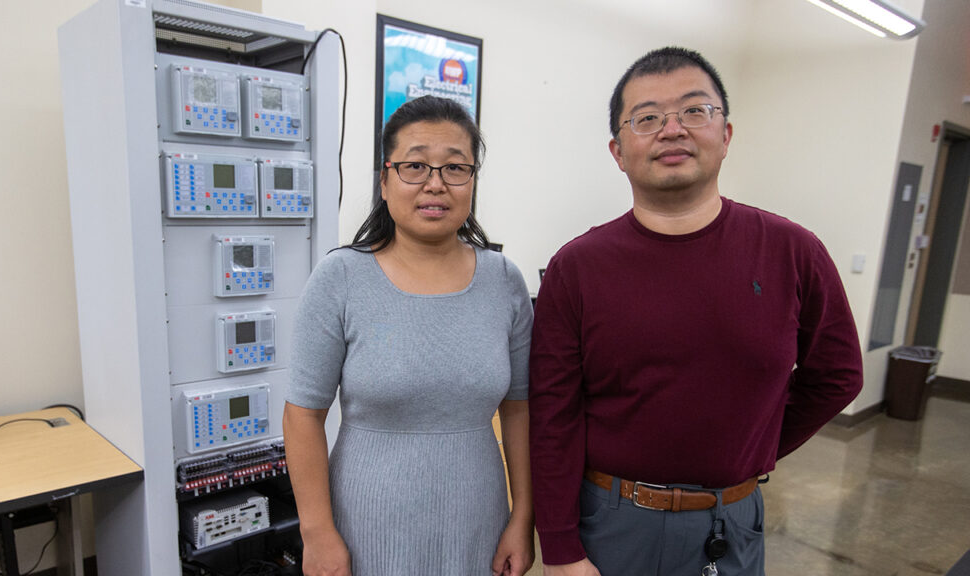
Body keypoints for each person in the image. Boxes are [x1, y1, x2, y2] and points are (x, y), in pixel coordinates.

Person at [528, 47, 863, 576]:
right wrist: (561, 548)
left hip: (732, 521)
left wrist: (753, 448)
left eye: (694, 111)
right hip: (613, 523)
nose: (671, 130)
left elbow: (838, 375)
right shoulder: (577, 267)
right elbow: (554, 417)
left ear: (725, 135)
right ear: (618, 150)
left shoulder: (792, 251)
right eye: (647, 118)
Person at [283, 95, 535, 576]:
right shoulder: (340, 278)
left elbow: (520, 411)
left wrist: (521, 517)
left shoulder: (505, 281)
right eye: (415, 166)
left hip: (477, 518)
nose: (435, 184)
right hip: (363, 522)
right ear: (384, 179)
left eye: (455, 168)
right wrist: (317, 533)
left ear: (472, 180)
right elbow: (302, 417)